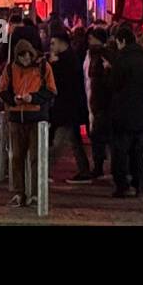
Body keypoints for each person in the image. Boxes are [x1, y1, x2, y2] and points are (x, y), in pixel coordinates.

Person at [0, 37, 56, 207]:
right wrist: (14, 100)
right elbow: (2, 90)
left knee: (35, 158)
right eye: (21, 56)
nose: (25, 59)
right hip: (16, 118)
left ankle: (36, 194)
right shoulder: (10, 69)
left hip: (36, 118)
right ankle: (19, 192)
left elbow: (51, 90)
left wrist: (33, 98)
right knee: (16, 157)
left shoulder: (43, 67)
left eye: (27, 56)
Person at [107, 25, 143, 198]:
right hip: (142, 112)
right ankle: (140, 184)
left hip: (122, 113)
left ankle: (122, 185)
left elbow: (113, 85)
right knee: (140, 153)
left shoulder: (120, 61)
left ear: (122, 41)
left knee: (120, 153)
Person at [48, 28, 93, 183]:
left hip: (67, 108)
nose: (51, 46)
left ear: (62, 43)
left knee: (59, 143)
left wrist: (53, 66)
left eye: (53, 43)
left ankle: (43, 170)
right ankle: (84, 171)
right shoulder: (70, 58)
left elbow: (62, 84)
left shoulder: (65, 61)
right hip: (70, 108)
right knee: (74, 142)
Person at [84, 27, 113, 179]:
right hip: (97, 100)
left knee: (99, 136)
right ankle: (101, 165)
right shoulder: (93, 55)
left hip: (100, 101)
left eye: (91, 38)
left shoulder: (101, 56)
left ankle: (99, 166)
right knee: (100, 136)